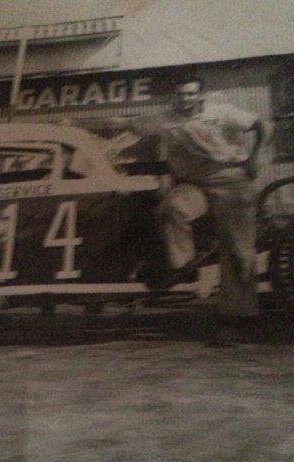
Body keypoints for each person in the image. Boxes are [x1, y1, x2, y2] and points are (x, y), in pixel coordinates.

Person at [81, 76, 271, 343]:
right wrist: (75, 124)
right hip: (192, 183)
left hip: (230, 181)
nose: (185, 99)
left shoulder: (223, 113)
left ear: (201, 96)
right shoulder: (164, 118)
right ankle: (183, 266)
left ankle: (237, 319)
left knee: (239, 250)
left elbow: (263, 125)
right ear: (174, 97)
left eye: (190, 94)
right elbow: (122, 124)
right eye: (180, 94)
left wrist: (255, 159)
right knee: (172, 208)